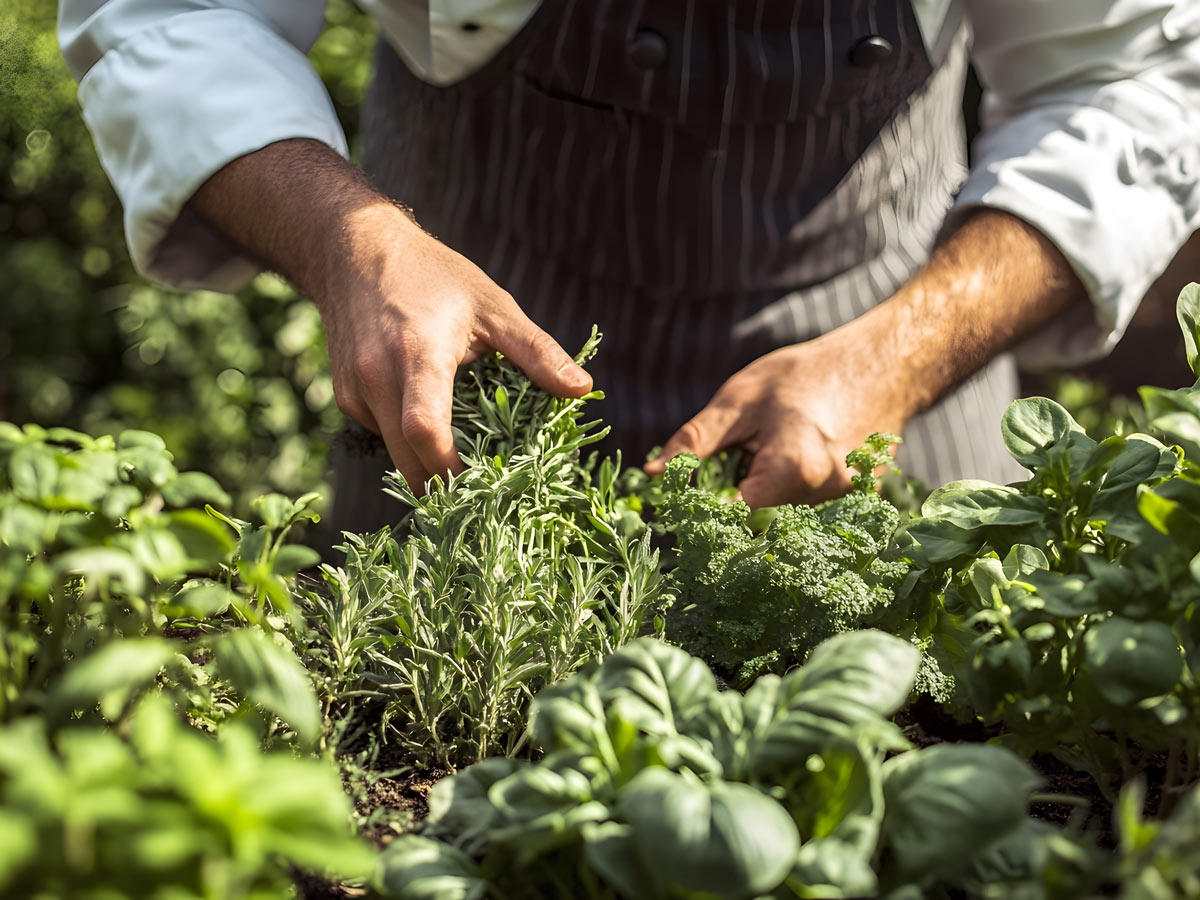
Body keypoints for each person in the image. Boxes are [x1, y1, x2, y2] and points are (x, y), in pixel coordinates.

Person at [59, 0, 1200, 536]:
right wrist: (352, 243)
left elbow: (1134, 80)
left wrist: (896, 360)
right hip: (462, 370)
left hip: (890, 350)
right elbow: (172, 14)